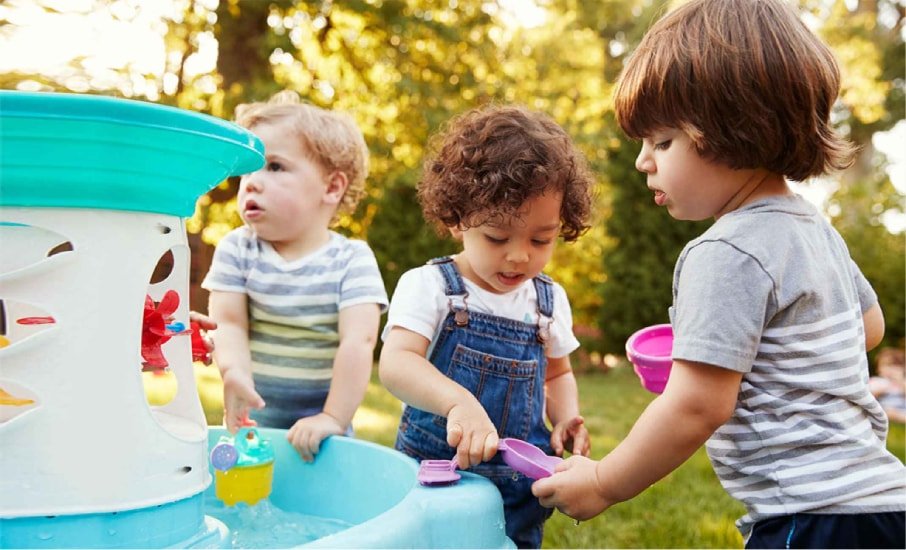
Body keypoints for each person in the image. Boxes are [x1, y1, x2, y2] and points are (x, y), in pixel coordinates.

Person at [531, 1, 906, 548]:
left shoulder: (725, 250)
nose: (643, 161)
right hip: (883, 502)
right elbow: (867, 329)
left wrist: (604, 483)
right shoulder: (814, 228)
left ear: (736, 131)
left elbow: (697, 405)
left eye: (662, 142)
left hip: (811, 516)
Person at [379, 104, 594, 548]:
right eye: (497, 237)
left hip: (517, 489)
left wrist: (566, 417)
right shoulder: (431, 286)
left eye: (541, 239)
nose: (519, 256)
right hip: (436, 477)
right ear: (458, 219)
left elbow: (557, 372)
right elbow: (397, 364)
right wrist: (458, 403)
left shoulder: (547, 301)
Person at [203, 91, 388, 462]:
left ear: (332, 187)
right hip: (255, 424)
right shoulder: (237, 249)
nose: (251, 183)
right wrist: (233, 371)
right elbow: (229, 324)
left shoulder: (351, 259)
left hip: (324, 434)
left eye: (274, 167)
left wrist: (332, 417)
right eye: (247, 171)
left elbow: (359, 340)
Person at [870, 347, 906, 424]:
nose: (891, 369)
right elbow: (869, 396)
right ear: (878, 368)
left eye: (895, 365)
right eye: (887, 365)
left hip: (903, 408)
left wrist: (901, 381)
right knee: (888, 412)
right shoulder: (877, 381)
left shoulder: (902, 382)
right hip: (886, 408)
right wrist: (881, 390)